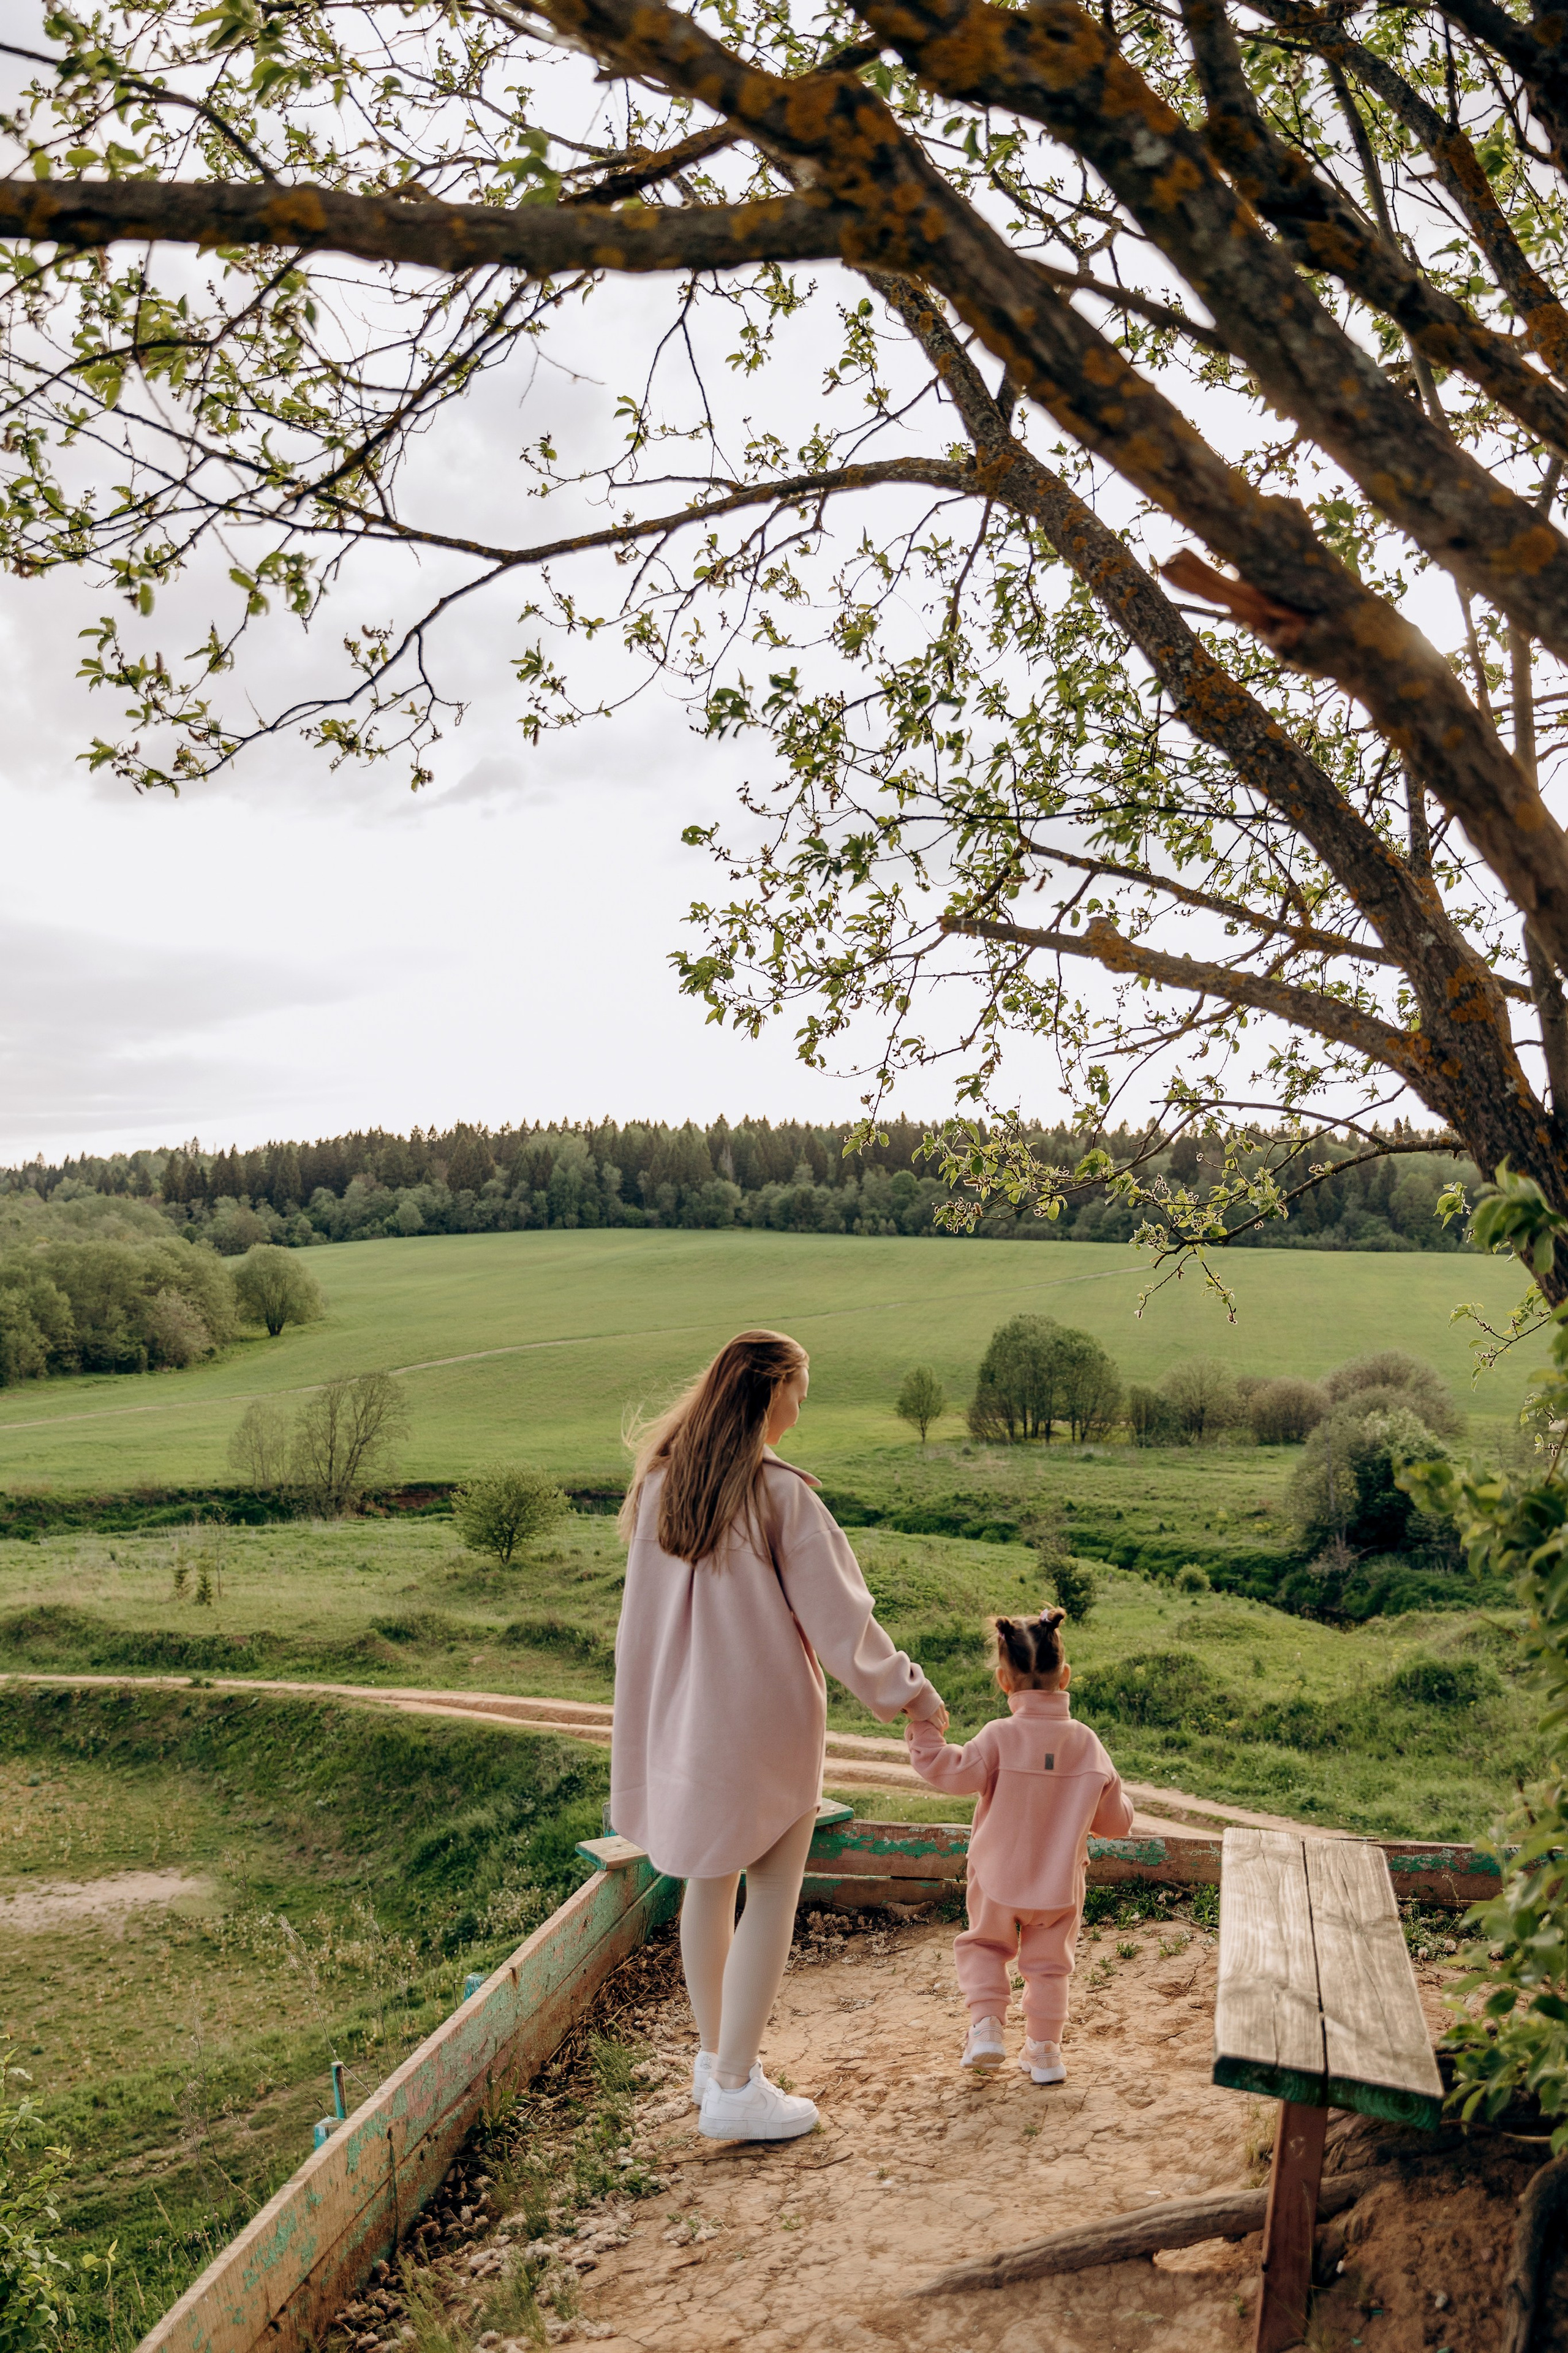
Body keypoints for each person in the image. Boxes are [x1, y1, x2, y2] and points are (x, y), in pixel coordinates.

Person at [612, 1328, 947, 2143]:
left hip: (679, 1725)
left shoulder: (662, 1486)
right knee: (769, 1889)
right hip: (761, 1729)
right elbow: (844, 1627)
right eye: (802, 1388)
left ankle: (715, 2060)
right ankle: (734, 2084)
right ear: (771, 1393)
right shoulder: (781, 1496)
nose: (805, 1404)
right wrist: (913, 1696)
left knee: (707, 1882)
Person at [904, 1604, 1134, 2084]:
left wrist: (924, 1728)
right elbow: (1114, 1823)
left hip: (995, 1879)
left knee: (985, 1946)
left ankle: (987, 2028)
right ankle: (1045, 2051)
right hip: (1059, 1888)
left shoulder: (999, 1737)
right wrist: (1119, 1802)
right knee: (1050, 1968)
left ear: (1004, 1681)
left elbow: (948, 1769)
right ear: (1064, 1674)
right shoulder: (1088, 1744)